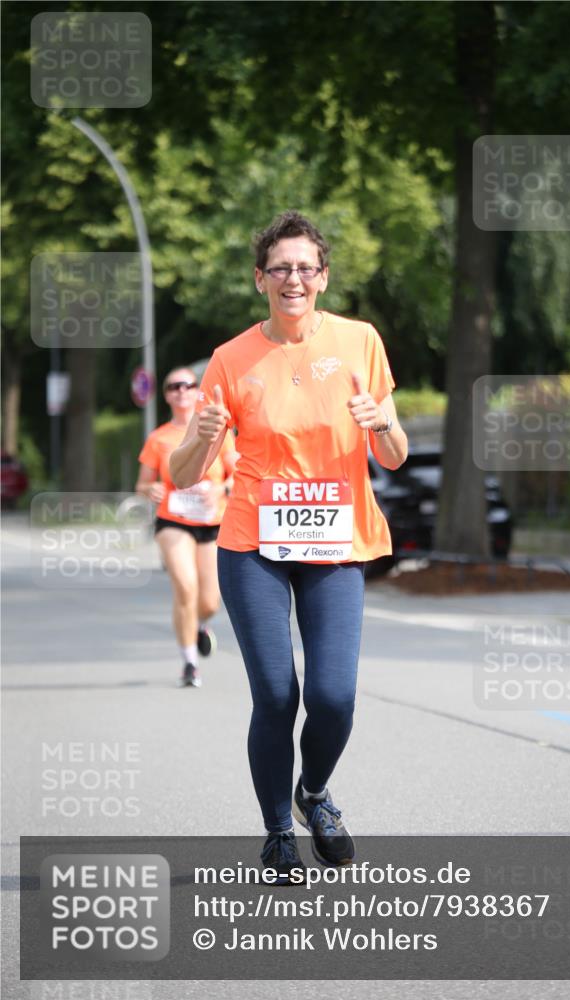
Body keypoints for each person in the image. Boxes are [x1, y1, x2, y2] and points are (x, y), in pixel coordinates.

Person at [170, 211, 408, 878]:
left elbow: (392, 455)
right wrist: (200, 434)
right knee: (276, 695)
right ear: (259, 280)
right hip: (252, 544)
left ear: (323, 278)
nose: (293, 278)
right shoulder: (230, 359)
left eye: (305, 267)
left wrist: (379, 423)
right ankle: (278, 830)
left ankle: (313, 794)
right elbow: (186, 475)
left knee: (333, 696)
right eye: (280, 267)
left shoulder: (361, 342)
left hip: (337, 543)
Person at [136, 367, 238, 688]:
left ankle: (197, 625)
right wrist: (148, 490)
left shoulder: (217, 431)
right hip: (173, 521)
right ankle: (190, 663)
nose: (182, 391)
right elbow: (142, 484)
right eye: (174, 386)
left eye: (188, 385)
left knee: (209, 601)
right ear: (166, 394)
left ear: (198, 392)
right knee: (185, 586)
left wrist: (220, 489)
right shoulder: (159, 437)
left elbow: (238, 474)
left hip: (211, 521)